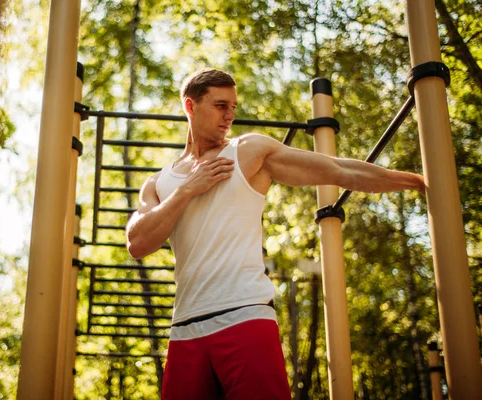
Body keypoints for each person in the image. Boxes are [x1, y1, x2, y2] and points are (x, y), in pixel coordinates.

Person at [125, 68, 425, 400]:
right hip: (184, 329)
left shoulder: (248, 151)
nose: (230, 116)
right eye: (221, 105)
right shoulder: (158, 183)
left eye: (234, 107)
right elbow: (137, 243)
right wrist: (187, 191)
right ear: (190, 106)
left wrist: (417, 182)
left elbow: (339, 170)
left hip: (244, 315)